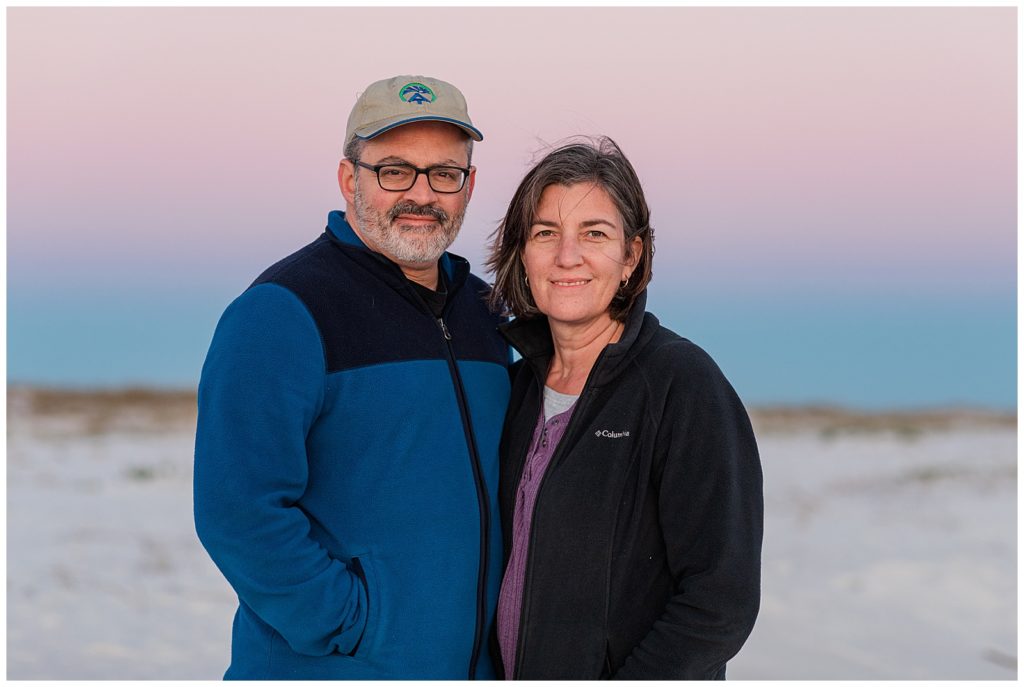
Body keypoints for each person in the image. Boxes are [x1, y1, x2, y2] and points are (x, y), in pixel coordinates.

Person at [193, 75, 510, 680]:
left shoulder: (488, 314)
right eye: (394, 170)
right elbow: (237, 511)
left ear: (470, 186)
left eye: (445, 173)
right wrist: (352, 625)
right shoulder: (281, 312)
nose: (422, 193)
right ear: (349, 179)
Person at [486, 137, 763, 679]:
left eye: (595, 233)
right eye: (546, 233)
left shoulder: (682, 385)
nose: (568, 255)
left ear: (631, 256)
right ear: (522, 253)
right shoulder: (515, 388)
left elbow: (720, 600)